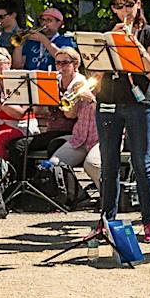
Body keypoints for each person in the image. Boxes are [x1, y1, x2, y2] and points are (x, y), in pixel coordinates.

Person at [89, 0, 150, 245]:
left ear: (138, 5)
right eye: (119, 6)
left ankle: (148, 221)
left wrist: (135, 44)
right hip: (108, 101)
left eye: (129, 5)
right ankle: (106, 221)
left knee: (142, 164)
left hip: (139, 104)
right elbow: (96, 68)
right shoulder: (107, 34)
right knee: (109, 164)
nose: (124, 11)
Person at [45, 45, 102, 199]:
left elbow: (110, 113)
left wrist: (91, 99)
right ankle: (79, 196)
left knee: (93, 165)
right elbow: (70, 115)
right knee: (54, 164)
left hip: (102, 138)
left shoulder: (111, 87)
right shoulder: (81, 85)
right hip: (80, 137)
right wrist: (74, 98)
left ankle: (108, 198)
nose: (93, 73)